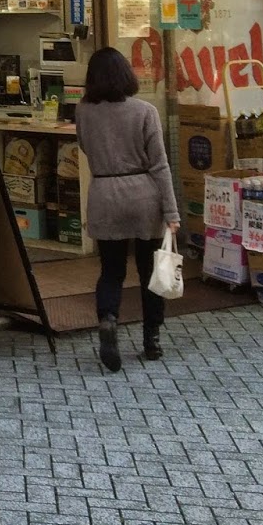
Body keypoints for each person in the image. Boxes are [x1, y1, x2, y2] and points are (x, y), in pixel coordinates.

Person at [75, 46, 180, 372]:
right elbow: (160, 166)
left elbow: (84, 146)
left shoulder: (84, 111)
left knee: (111, 270)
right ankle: (152, 339)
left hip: (105, 194)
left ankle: (108, 320)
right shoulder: (145, 111)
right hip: (143, 196)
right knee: (151, 271)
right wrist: (172, 213)